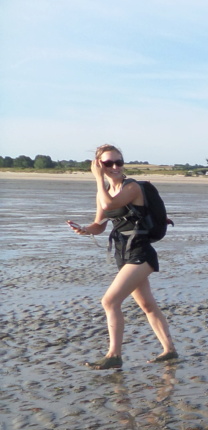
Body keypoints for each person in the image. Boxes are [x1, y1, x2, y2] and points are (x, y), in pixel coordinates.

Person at [66, 144, 177, 369]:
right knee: (147, 305)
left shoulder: (132, 187)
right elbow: (100, 224)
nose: (115, 167)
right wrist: (85, 229)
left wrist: (98, 178)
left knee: (109, 301)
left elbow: (109, 204)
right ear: (99, 164)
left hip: (140, 252)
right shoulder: (105, 193)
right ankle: (170, 350)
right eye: (108, 163)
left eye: (119, 162)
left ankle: (114, 355)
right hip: (122, 252)